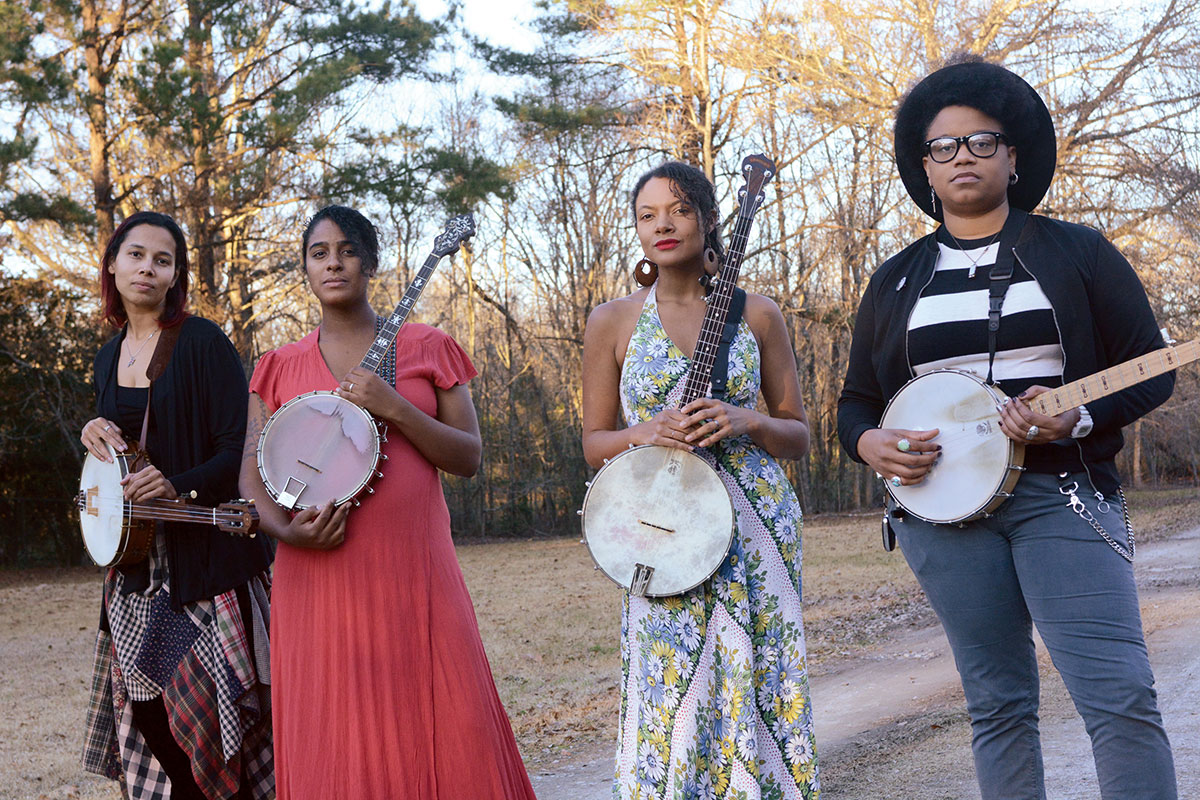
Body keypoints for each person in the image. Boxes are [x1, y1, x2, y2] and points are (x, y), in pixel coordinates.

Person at [837, 57, 1178, 799]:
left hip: (1064, 497)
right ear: (924, 168)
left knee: (1118, 697)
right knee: (997, 707)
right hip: (941, 517)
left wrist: (1080, 415)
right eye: (945, 146)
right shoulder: (896, 280)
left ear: (1014, 156)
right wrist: (871, 445)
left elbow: (1155, 368)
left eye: (982, 141)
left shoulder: (1077, 252)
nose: (963, 156)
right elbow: (857, 403)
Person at [238, 205, 535, 799]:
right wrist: (288, 534)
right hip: (315, 573)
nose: (334, 262)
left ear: (370, 262)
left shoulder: (427, 346)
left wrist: (395, 406)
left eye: (347, 250)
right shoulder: (276, 367)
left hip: (414, 570)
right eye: (319, 253)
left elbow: (469, 457)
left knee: (450, 717)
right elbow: (250, 476)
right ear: (305, 269)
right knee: (332, 729)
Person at [582, 162, 820, 798]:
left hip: (754, 524)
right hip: (660, 526)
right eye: (647, 214)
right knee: (670, 685)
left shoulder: (759, 315)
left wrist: (746, 420)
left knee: (762, 676)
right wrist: (644, 432)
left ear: (710, 220)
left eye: (679, 210)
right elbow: (593, 443)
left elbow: (797, 434)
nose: (663, 224)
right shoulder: (612, 321)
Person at [79, 211, 275, 800]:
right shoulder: (106, 359)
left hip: (203, 568)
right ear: (113, 265)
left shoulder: (202, 342)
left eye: (162, 260)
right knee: (150, 718)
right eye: (136, 254)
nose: (147, 267)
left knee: (211, 726)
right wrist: (93, 432)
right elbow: (118, 459)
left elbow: (240, 447)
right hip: (136, 571)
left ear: (175, 276)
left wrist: (177, 485)